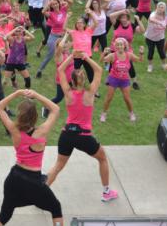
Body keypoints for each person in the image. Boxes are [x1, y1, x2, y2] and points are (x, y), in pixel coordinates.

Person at [46, 53, 120, 202]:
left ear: (71, 81)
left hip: (66, 135)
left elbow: (60, 70)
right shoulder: (90, 92)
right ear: (84, 79)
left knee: (58, 166)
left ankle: (41, 192)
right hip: (83, 137)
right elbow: (99, 70)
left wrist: (72, 57)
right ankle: (106, 192)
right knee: (103, 158)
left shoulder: (68, 93)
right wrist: (86, 57)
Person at [0, 89, 63, 226]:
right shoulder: (41, 132)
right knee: (56, 208)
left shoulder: (14, 130)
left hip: (13, 178)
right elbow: (55, 109)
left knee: (4, 216)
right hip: (33, 182)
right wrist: (36, 95)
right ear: (35, 117)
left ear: (19, 115)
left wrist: (17, 93)